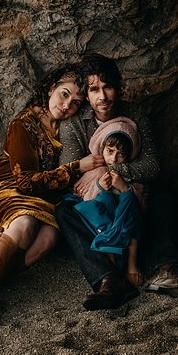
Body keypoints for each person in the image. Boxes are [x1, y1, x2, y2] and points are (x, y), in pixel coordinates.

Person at [0, 63, 92, 325]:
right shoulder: (25, 123)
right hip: (6, 189)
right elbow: (24, 182)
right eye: (64, 94)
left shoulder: (68, 128)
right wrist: (76, 168)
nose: (68, 105)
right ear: (51, 88)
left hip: (42, 198)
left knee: (50, 238)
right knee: (25, 222)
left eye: (77, 102)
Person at [56, 53, 178, 310]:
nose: (103, 97)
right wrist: (100, 179)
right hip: (97, 203)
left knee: (164, 195)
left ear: (118, 87)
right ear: (86, 94)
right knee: (64, 210)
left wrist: (115, 173)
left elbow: (152, 165)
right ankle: (108, 280)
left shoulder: (134, 114)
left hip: (132, 194)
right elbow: (69, 176)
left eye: (108, 87)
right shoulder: (74, 125)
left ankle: (163, 269)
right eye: (94, 89)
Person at [59, 117, 145, 288]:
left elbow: (140, 206)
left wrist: (124, 189)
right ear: (102, 149)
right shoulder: (94, 173)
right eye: (110, 151)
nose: (113, 158)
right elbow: (88, 199)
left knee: (129, 199)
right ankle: (112, 261)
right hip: (102, 225)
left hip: (125, 225)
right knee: (104, 198)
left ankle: (130, 263)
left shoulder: (128, 175)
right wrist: (100, 186)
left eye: (121, 154)